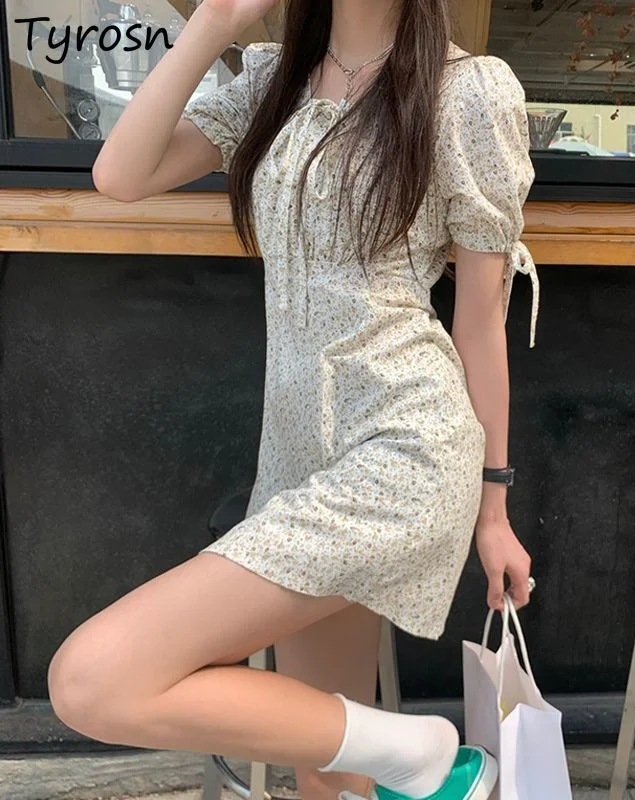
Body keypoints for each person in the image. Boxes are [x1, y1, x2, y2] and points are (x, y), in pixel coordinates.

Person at [47, 0, 538, 798]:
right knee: (325, 772)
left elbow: (480, 325)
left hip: (406, 448)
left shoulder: (467, 91)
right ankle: (401, 756)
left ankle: (419, 752)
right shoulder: (274, 80)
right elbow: (120, 175)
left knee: (91, 679)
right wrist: (216, 21)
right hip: (299, 454)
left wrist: (494, 509)